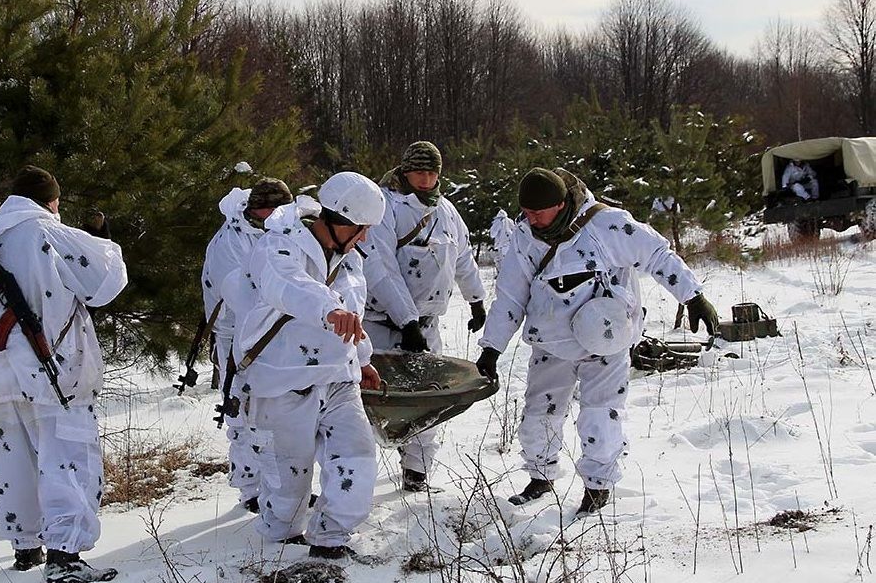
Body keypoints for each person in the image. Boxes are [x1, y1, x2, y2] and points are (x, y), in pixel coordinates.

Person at [476, 168, 718, 515]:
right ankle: (540, 477)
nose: (531, 220)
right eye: (526, 212)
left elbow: (656, 254)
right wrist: (491, 348)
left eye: (538, 212)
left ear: (560, 204)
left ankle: (597, 487)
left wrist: (693, 296)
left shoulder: (606, 225)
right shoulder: (524, 238)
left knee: (600, 417)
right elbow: (511, 297)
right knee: (538, 416)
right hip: (551, 343)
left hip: (605, 342)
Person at [0, 166, 127, 583]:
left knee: (16, 460)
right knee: (68, 459)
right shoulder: (48, 233)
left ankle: (26, 547)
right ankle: (65, 557)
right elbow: (106, 282)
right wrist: (102, 239)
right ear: (50, 200)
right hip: (51, 371)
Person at [222, 171, 385, 560]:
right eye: (361, 229)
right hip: (282, 381)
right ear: (339, 219)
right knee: (288, 491)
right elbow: (287, 285)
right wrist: (329, 309)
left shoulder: (350, 260)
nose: (364, 239)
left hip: (338, 378)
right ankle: (279, 542)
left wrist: (363, 358)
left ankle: (330, 539)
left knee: (357, 461)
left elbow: (354, 315)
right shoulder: (278, 245)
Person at [363, 141, 488, 493]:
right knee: (370, 403)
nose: (426, 179)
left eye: (432, 173)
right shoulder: (385, 207)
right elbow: (381, 269)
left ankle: (416, 473)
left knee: (428, 401)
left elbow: (462, 258)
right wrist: (406, 320)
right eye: (419, 172)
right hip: (383, 326)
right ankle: (356, 481)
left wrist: (476, 299)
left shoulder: (447, 211)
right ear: (405, 172)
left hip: (427, 327)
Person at [201, 177, 294, 513]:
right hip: (235, 336)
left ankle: (281, 486)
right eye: (274, 210)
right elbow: (243, 297)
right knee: (241, 413)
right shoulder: (230, 242)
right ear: (258, 209)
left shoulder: (283, 231)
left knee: (279, 415)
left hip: (277, 334)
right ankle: (250, 489)